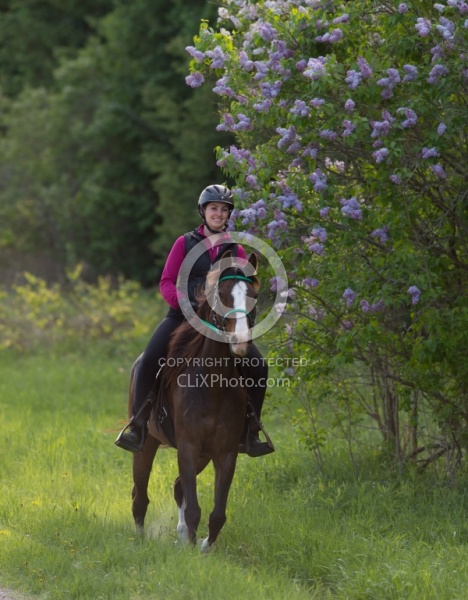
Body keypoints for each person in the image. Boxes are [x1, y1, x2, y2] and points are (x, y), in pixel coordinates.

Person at [115, 184, 274, 457]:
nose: (219, 214)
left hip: (220, 322)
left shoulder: (235, 249)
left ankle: (251, 430)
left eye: (224, 210)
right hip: (181, 316)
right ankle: (138, 425)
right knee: (150, 358)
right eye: (214, 208)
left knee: (258, 366)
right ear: (203, 211)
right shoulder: (184, 243)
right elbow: (166, 281)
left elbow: (240, 287)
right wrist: (183, 304)